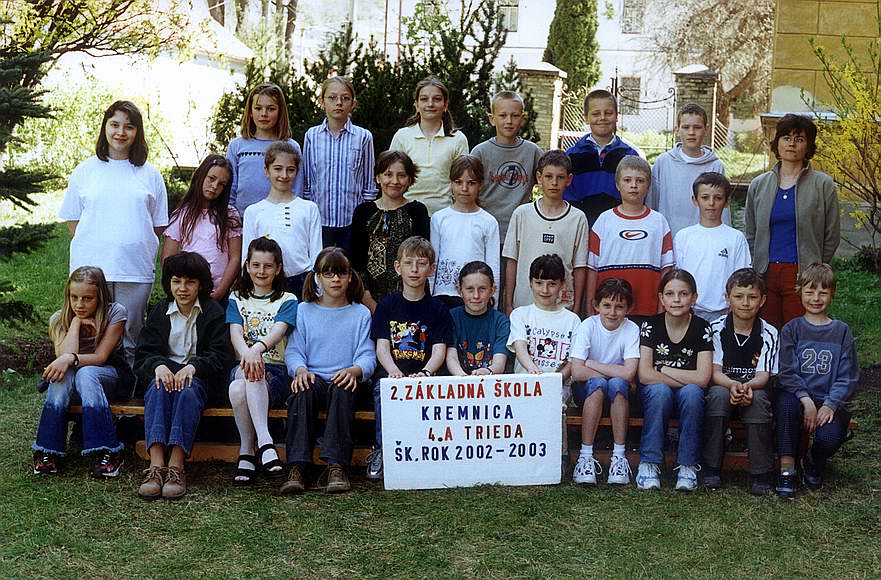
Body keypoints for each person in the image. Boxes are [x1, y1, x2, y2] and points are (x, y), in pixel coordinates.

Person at [59, 100, 168, 365]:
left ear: (137, 132)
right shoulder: (85, 171)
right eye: (115, 125)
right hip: (92, 268)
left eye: (129, 127)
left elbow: (158, 225)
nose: (121, 132)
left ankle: (128, 390)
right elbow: (73, 221)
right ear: (105, 127)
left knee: (132, 333)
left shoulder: (150, 174)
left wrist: (127, 242)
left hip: (135, 268)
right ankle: (89, 386)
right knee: (89, 330)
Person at [134, 252, 231, 500]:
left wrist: (194, 367)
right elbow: (143, 354)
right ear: (169, 283)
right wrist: (158, 365)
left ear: (201, 284)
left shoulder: (213, 312)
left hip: (198, 379)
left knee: (188, 391)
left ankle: (176, 464)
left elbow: (220, 355)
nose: (183, 288)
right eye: (177, 281)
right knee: (157, 388)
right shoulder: (159, 312)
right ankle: (156, 465)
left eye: (190, 282)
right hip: (164, 376)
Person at [281, 248, 376, 494]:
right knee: (302, 391)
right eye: (329, 273)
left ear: (350, 278)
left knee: (343, 389)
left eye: (341, 274)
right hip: (313, 378)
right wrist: (300, 370)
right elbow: (294, 351)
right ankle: (298, 467)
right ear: (317, 278)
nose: (335, 279)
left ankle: (336, 466)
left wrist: (355, 370)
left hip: (345, 379)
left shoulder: (360, 313)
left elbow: (367, 354)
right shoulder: (303, 311)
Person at [32, 266, 134, 477]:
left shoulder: (115, 313)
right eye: (74, 297)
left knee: (86, 373)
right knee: (63, 376)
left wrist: (71, 359)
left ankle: (107, 450)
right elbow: (64, 356)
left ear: (100, 297)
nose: (79, 304)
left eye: (87, 298)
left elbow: (100, 357)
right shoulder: (58, 319)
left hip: (112, 377)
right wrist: (76, 323)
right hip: (75, 383)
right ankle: (48, 451)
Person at [368, 236, 453, 481]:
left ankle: (429, 453)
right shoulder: (387, 305)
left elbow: (439, 349)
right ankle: (383, 448)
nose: (414, 269)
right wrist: (394, 372)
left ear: (432, 269)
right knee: (382, 393)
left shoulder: (438, 308)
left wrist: (426, 373)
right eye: (408, 263)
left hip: (426, 375)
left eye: (421, 263)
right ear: (398, 267)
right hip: (392, 374)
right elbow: (382, 346)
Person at [744, 113, 840, 329]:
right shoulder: (758, 185)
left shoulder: (823, 185)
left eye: (799, 139)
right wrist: (757, 264)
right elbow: (750, 232)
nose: (792, 144)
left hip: (803, 275)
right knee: (768, 333)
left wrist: (815, 267)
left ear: (808, 146)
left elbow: (832, 235)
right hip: (765, 273)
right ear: (777, 143)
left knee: (799, 332)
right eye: (786, 137)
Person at [774, 263, 858, 499]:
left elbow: (848, 376)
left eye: (823, 292)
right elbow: (786, 371)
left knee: (830, 436)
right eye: (810, 291)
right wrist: (806, 400)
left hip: (828, 401)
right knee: (786, 405)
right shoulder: (792, 329)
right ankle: (787, 468)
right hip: (797, 397)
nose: (816, 298)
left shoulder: (842, 331)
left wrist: (830, 404)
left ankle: (813, 461)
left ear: (832, 293)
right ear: (799, 291)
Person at [227, 237, 298, 484]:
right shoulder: (236, 297)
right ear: (247, 266)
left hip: (275, 371)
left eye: (268, 266)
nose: (261, 271)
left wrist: (255, 350)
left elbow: (278, 330)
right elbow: (235, 332)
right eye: (256, 265)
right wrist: (248, 354)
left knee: (239, 387)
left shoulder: (288, 299)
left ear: (278, 268)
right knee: (245, 374)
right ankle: (265, 444)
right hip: (242, 365)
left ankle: (247, 450)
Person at [635, 269, 713, 492]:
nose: (676, 300)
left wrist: (664, 367)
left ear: (694, 297)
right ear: (661, 298)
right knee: (660, 391)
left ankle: (687, 465)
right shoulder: (651, 326)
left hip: (688, 393)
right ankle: (649, 463)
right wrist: (688, 378)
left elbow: (703, 378)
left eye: (683, 294)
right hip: (657, 392)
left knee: (692, 393)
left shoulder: (702, 328)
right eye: (669, 294)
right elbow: (645, 375)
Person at [703, 268, 778, 494]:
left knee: (758, 401)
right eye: (738, 296)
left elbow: (764, 376)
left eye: (752, 297)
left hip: (754, 386)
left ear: (762, 300)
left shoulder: (769, 333)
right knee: (716, 397)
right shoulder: (715, 329)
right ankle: (711, 467)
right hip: (723, 384)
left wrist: (746, 387)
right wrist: (733, 386)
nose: (745, 303)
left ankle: (761, 472)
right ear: (727, 298)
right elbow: (714, 372)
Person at [507, 254, 581, 473]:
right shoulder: (521, 314)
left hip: (559, 384)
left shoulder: (572, 320)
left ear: (562, 285)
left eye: (551, 284)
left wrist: (555, 379)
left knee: (555, 405)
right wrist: (532, 370)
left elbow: (573, 360)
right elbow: (519, 345)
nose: (545, 290)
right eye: (539, 283)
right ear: (530, 282)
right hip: (525, 381)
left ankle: (560, 455)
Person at [471, 90, 543, 301]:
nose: (509, 121)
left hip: (521, 236)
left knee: (513, 292)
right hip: (487, 235)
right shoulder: (480, 152)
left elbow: (550, 182)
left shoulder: (532, 152)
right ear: (492, 118)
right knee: (486, 288)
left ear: (523, 117)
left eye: (514, 115)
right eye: (502, 115)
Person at [569, 278, 640, 486]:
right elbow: (577, 371)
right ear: (596, 306)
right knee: (599, 385)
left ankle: (619, 456)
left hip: (619, 390)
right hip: (588, 389)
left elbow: (629, 373)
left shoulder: (631, 329)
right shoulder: (588, 325)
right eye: (607, 305)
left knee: (617, 384)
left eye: (620, 307)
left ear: (629, 308)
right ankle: (585, 456)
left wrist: (592, 363)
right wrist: (604, 373)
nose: (612, 312)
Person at [586, 156, 673, 318]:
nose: (633, 186)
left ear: (648, 186)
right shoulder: (604, 221)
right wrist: (591, 304)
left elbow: (666, 270)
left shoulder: (658, 222)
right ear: (618, 185)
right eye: (627, 180)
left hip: (648, 308)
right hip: (610, 312)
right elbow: (592, 268)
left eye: (640, 180)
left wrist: (662, 310)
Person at [502, 150, 588, 316]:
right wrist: (508, 303)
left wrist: (577, 307)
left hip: (562, 307)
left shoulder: (578, 218)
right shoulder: (522, 214)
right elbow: (512, 260)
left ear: (569, 179)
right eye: (548, 176)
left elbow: (579, 266)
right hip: (524, 304)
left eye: (560, 177)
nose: (554, 182)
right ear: (539, 178)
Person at [302, 76, 377, 250]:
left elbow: (368, 184)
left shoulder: (363, 137)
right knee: (321, 269)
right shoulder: (311, 136)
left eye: (345, 98)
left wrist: (365, 217)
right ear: (322, 101)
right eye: (332, 97)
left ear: (353, 104)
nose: (339, 103)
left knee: (350, 270)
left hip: (352, 220)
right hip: (319, 220)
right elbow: (306, 182)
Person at [350, 151, 430, 312]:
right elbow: (356, 260)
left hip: (411, 299)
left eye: (401, 175)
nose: (394, 181)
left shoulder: (417, 211)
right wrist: (369, 301)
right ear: (378, 178)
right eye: (388, 174)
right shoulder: (363, 212)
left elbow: (421, 258)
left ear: (409, 179)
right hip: (368, 300)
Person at [241, 141, 322, 298]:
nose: (284, 175)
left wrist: (316, 289)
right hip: (266, 283)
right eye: (278, 169)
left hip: (302, 282)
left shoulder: (309, 208)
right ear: (266, 170)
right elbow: (247, 256)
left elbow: (317, 254)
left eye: (290, 170)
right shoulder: (253, 211)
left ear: (297, 172)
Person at [673, 172, 751, 322]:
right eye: (705, 197)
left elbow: (741, 277)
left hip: (724, 312)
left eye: (718, 198)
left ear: (727, 202)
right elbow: (678, 276)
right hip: (690, 310)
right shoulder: (683, 236)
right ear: (695, 200)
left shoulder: (736, 238)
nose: (711, 203)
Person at [162, 154, 242, 300]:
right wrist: (177, 289)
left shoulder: (230, 214)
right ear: (201, 175)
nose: (214, 186)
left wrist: (221, 291)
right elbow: (168, 258)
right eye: (211, 179)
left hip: (217, 292)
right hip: (187, 291)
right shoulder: (182, 213)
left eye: (222, 184)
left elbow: (235, 258)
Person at [389, 77, 469, 216]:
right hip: (406, 213)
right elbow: (391, 178)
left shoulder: (458, 139)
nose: (430, 104)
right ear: (416, 105)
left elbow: (463, 181)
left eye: (437, 99)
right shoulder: (402, 136)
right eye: (424, 99)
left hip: (445, 214)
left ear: (445, 105)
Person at [647, 104, 729, 237]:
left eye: (697, 127)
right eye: (686, 127)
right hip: (667, 237)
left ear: (706, 130)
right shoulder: (663, 162)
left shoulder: (715, 166)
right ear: (677, 130)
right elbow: (652, 203)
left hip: (703, 239)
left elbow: (722, 208)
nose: (691, 132)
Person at [430, 155, 500, 308]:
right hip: (443, 296)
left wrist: (492, 302)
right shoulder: (439, 218)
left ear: (480, 185)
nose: (464, 188)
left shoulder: (488, 222)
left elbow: (493, 266)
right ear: (451, 183)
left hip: (476, 298)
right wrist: (429, 298)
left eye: (471, 183)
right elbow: (432, 263)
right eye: (458, 182)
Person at [564, 89, 641, 226]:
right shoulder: (571, 156)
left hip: (618, 228)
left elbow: (637, 196)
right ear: (586, 117)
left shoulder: (630, 156)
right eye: (595, 114)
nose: (602, 118)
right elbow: (567, 196)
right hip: (581, 228)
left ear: (617, 116)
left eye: (608, 113)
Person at [227, 82, 305, 216]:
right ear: (250, 112)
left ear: (280, 111)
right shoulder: (237, 146)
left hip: (280, 219)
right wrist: (231, 218)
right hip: (243, 220)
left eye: (271, 109)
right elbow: (230, 188)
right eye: (258, 108)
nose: (264, 114)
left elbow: (297, 188)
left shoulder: (291, 147)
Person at [445, 261, 510, 376]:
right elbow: (451, 356)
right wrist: (464, 379)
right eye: (470, 289)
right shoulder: (450, 317)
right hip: (458, 383)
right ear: (460, 291)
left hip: (490, 382)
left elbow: (499, 363)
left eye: (482, 289)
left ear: (492, 290)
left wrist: (487, 372)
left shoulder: (501, 321)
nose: (476, 296)